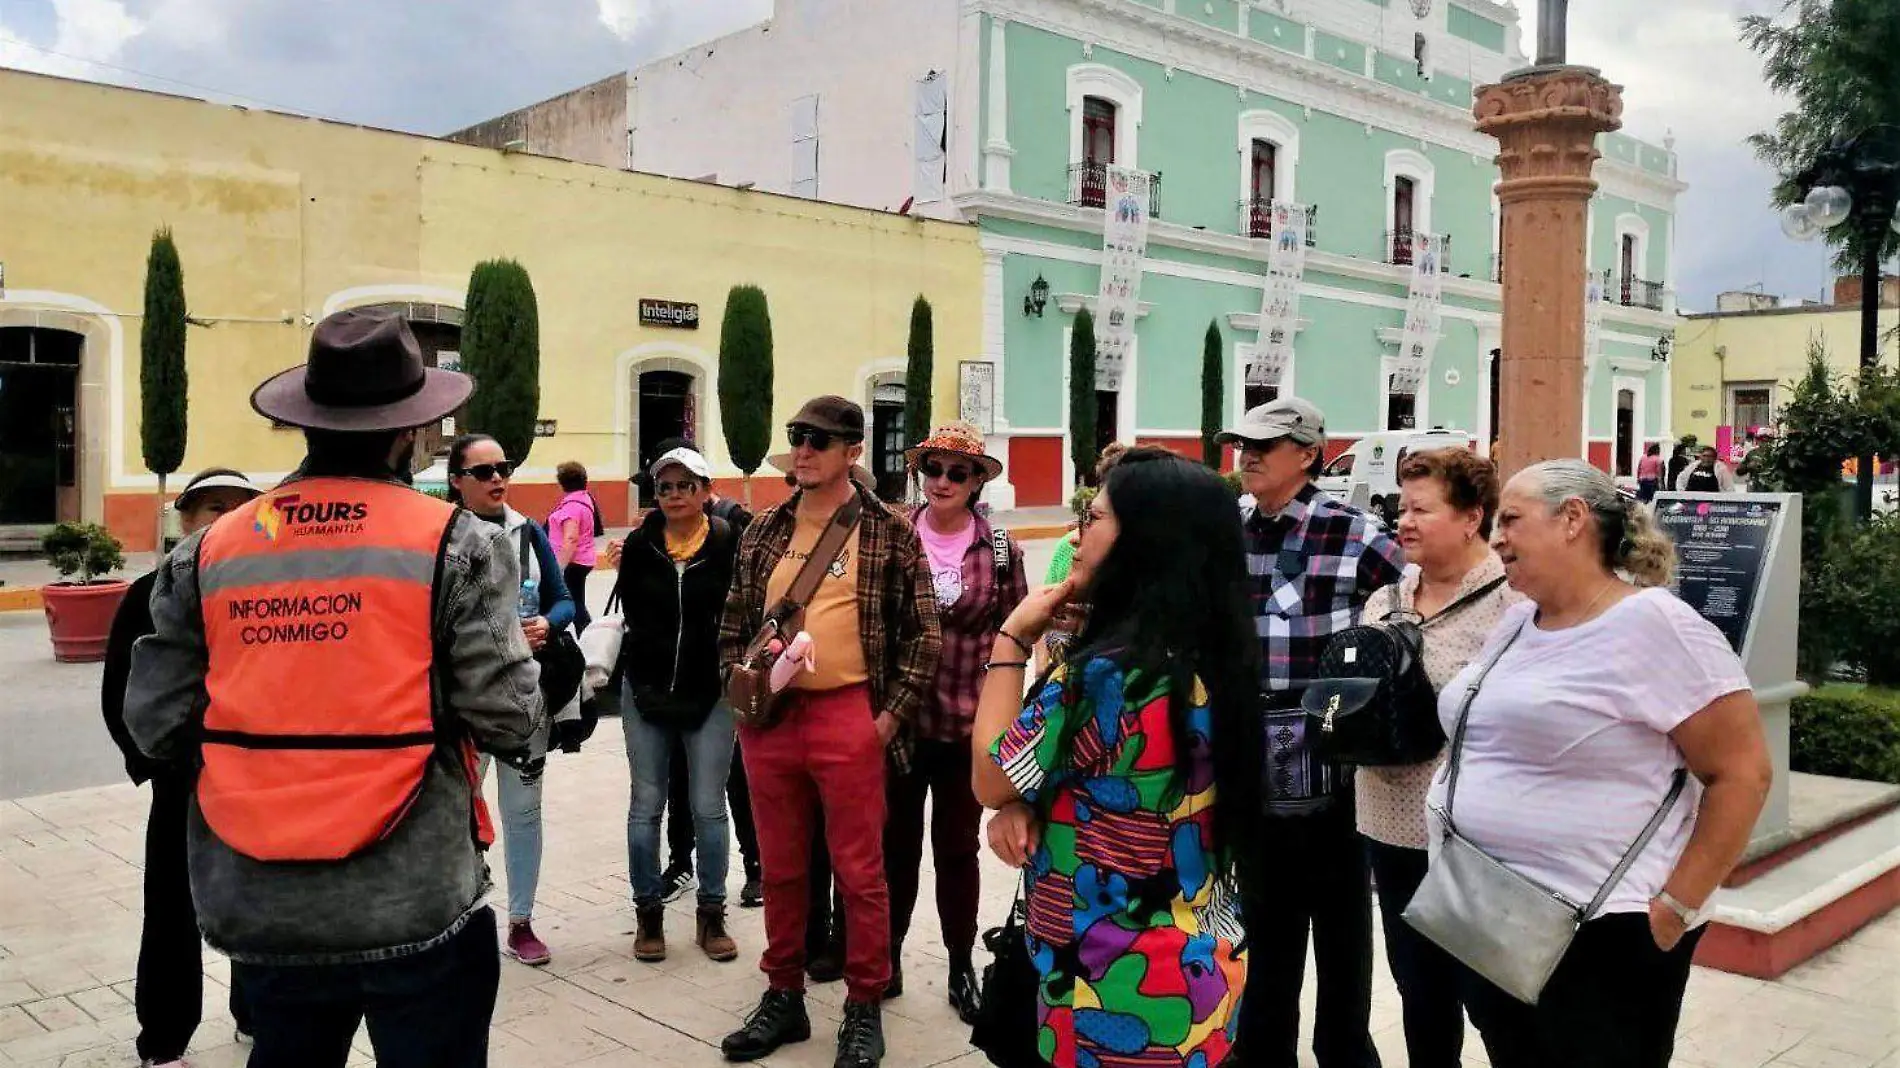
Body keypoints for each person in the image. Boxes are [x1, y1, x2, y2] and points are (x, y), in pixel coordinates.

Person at [124, 308, 543, 1068]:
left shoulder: (209, 549)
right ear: (408, 433)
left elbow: (154, 723)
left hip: (264, 898)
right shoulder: (457, 542)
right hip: (414, 897)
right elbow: (512, 720)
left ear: (306, 424)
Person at [1434, 459, 1772, 1067]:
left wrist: (1676, 907)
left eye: (1511, 519)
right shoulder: (1516, 623)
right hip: (1491, 910)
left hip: (1600, 930)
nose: (1497, 538)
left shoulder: (1656, 625)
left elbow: (1742, 773)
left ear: (1572, 520)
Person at [973, 449, 1259, 1068]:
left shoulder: (1108, 677)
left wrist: (1012, 640)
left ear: (1143, 541)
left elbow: (993, 779)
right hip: (1201, 978)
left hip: (1104, 990)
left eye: (1094, 519)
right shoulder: (1213, 656)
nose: (1076, 537)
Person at [717, 396, 942, 1067]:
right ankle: (783, 995)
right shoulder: (763, 529)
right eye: (796, 438)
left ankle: (864, 1005)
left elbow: (925, 633)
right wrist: (741, 691)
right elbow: (733, 620)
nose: (802, 450)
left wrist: (888, 718)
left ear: (851, 452)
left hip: (850, 715)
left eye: (817, 440)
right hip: (773, 722)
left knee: (860, 873)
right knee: (782, 869)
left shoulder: (888, 531)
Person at [1215, 396, 1403, 1068]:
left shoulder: (1353, 533)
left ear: (1308, 453)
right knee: (1263, 904)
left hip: (1329, 744)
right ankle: (1264, 1045)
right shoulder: (1227, 526)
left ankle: (1345, 1046)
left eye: (1266, 445)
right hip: (1244, 737)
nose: (1249, 456)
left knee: (1342, 909)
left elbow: (1406, 615)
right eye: (1244, 445)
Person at [1355, 450, 1521, 1068]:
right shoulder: (1384, 602)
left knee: (1496, 1002)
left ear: (1472, 517)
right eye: (1402, 507)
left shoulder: (1512, 605)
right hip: (1389, 824)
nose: (1405, 521)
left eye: (1422, 509)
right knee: (1420, 993)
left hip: (1476, 838)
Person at [104, 468, 262, 1068]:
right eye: (210, 507)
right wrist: (160, 767)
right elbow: (121, 692)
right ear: (185, 518)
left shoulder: (265, 596)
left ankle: (256, 1014)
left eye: (239, 508)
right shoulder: (148, 592)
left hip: (256, 782)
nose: (222, 519)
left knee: (259, 905)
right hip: (182, 784)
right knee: (171, 911)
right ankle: (164, 1039)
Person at [886, 423, 1027, 1015]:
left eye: (957, 472)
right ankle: (884, 957)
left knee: (955, 850)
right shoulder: (894, 535)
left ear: (976, 482)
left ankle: (959, 962)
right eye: (934, 469)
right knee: (893, 846)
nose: (942, 481)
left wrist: (1013, 723)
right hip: (899, 723)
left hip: (967, 729)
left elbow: (1017, 637)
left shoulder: (998, 550)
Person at [619, 436, 766, 911]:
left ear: (707, 489)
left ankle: (712, 909)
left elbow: (746, 610)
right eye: (664, 487)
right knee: (646, 806)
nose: (675, 494)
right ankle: (647, 910)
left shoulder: (729, 542)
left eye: (686, 484)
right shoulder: (640, 545)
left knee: (709, 805)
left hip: (711, 692)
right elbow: (635, 616)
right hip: (647, 689)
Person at [447, 432, 575, 968]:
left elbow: (566, 602)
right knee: (458, 816)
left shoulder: (529, 533)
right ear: (457, 482)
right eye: (484, 472)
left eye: (503, 468)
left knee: (523, 814)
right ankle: (461, 916)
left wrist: (548, 622)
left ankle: (521, 922)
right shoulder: (441, 540)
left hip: (525, 702)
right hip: (461, 708)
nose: (498, 478)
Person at [548, 461, 602, 630]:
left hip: (573, 562)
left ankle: (586, 637)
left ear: (562, 483)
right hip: (582, 560)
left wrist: (558, 567)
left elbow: (570, 538)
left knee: (574, 603)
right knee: (577, 601)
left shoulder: (572, 507)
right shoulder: (585, 500)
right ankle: (587, 636)